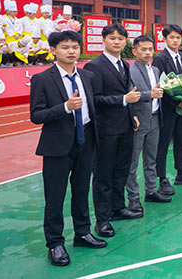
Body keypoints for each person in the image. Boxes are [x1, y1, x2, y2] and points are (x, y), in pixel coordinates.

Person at [30, 30, 106, 266]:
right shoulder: (42, 79)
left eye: (75, 47)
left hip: (86, 141)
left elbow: (93, 109)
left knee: (81, 191)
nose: (71, 51)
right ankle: (55, 243)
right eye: (65, 47)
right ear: (53, 50)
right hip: (57, 145)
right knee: (55, 196)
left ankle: (82, 233)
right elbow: (36, 115)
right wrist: (64, 107)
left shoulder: (87, 76)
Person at [83, 23, 142, 239]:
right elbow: (95, 99)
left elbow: (128, 94)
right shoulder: (94, 66)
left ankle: (118, 208)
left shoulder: (124, 64)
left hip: (125, 126)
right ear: (103, 40)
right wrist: (123, 100)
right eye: (112, 38)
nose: (117, 42)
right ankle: (102, 219)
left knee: (121, 171)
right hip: (105, 129)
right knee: (103, 175)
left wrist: (132, 114)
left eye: (120, 38)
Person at [125, 35, 170, 213]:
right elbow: (130, 94)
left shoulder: (156, 70)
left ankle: (151, 190)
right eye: (143, 49)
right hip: (138, 119)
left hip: (155, 118)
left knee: (151, 158)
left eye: (150, 49)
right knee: (133, 161)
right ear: (134, 51)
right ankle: (133, 198)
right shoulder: (130, 70)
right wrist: (149, 95)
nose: (147, 53)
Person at [152, 25, 182, 192]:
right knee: (163, 144)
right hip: (168, 108)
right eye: (172, 37)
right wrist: (177, 103)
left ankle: (181, 172)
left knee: (181, 140)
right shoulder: (160, 59)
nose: (175, 40)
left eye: (178, 37)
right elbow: (162, 84)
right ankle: (161, 178)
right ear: (164, 39)